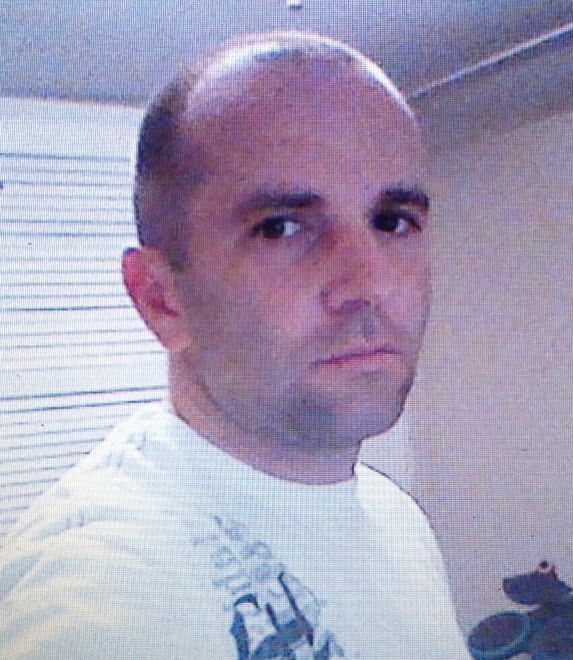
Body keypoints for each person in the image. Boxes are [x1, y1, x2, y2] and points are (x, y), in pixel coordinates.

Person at [0, 31, 470, 658]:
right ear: (162, 299)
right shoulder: (98, 596)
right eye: (280, 229)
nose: (370, 285)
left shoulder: (397, 519)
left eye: (392, 221)